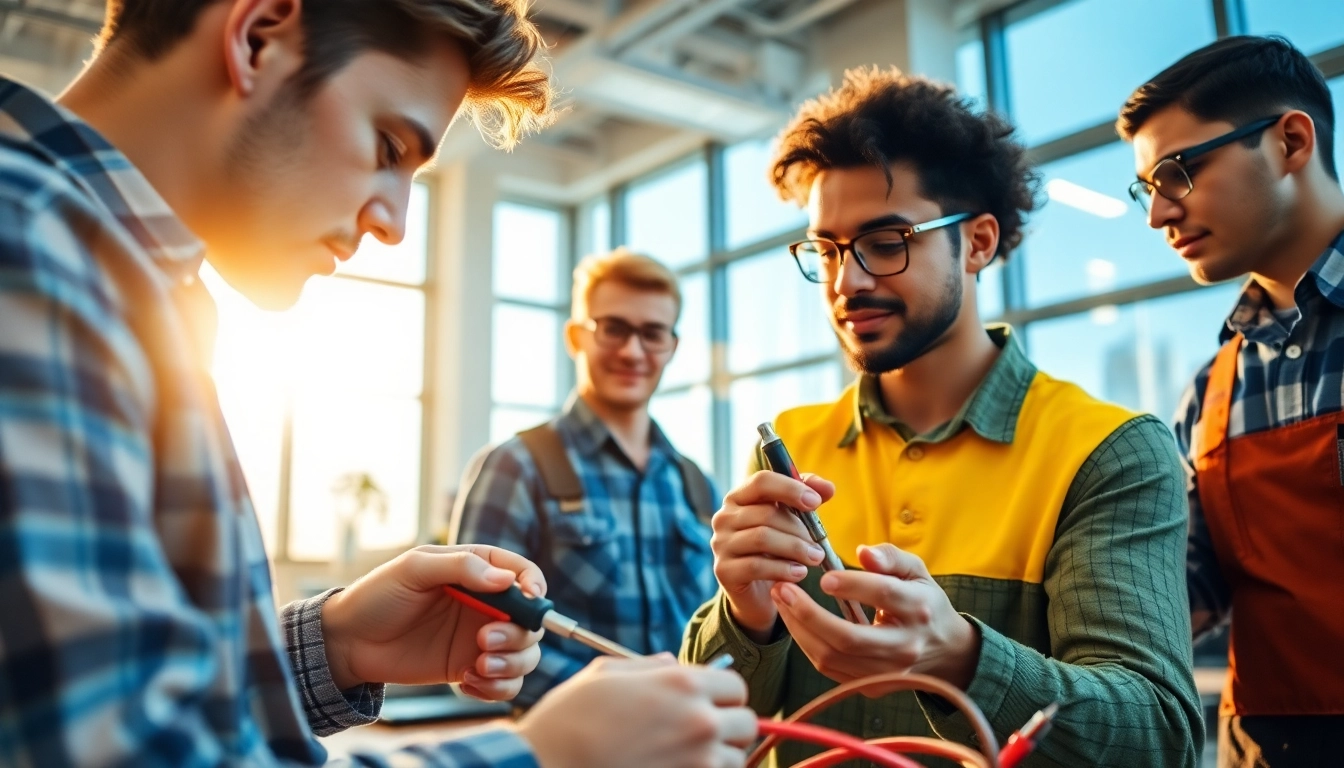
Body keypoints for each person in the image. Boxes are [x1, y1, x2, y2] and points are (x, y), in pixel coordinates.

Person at [0, 1, 755, 765]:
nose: (394, 224)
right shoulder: (28, 258)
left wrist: (334, 644)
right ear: (258, 36)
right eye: (389, 145)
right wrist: (550, 757)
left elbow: (132, 702)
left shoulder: (117, 287)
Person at [681, 66, 1204, 767]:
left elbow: (1156, 736)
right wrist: (746, 617)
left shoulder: (1106, 450)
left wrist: (959, 658)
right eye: (827, 249)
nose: (847, 281)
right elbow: (722, 716)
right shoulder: (792, 446)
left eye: (887, 240)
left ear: (980, 242)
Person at [1118, 35, 1344, 768]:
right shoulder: (1211, 390)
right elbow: (1189, 588)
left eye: (1178, 173)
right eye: (1147, 187)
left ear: (1290, 141)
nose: (1158, 214)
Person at [452, 248, 718, 705]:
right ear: (576, 336)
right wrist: (617, 703)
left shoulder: (696, 484)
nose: (633, 351)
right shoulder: (517, 467)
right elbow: (476, 629)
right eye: (614, 328)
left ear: (671, 347)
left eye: (653, 333)